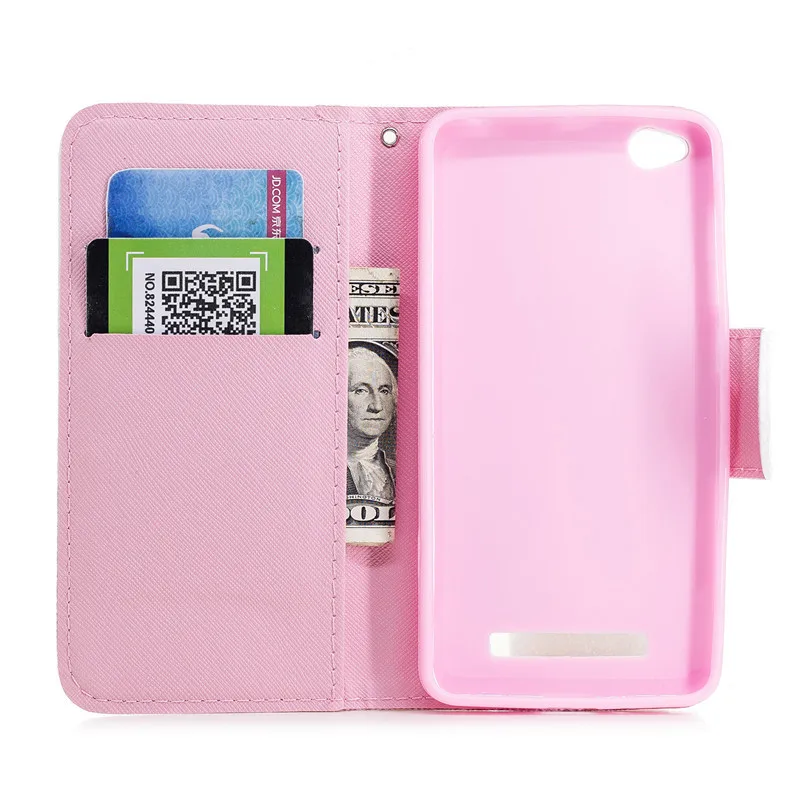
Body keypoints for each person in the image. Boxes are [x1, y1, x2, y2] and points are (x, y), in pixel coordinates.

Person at [346, 346, 397, 502]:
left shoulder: (398, 471)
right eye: (361, 390)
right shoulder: (315, 471)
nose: (377, 406)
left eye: (384, 391)